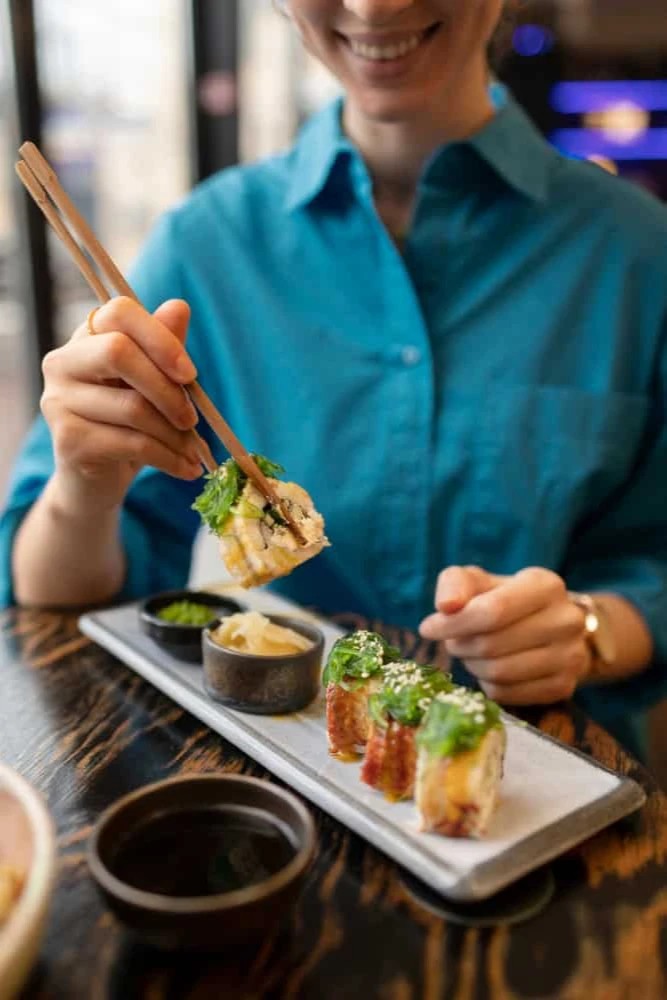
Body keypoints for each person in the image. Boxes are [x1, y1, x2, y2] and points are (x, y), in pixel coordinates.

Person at [2, 0, 666, 758]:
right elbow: (48, 595)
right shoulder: (205, 244)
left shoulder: (639, 254)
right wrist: (84, 482)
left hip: (555, 782)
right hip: (290, 769)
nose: (371, 5)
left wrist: (589, 628)